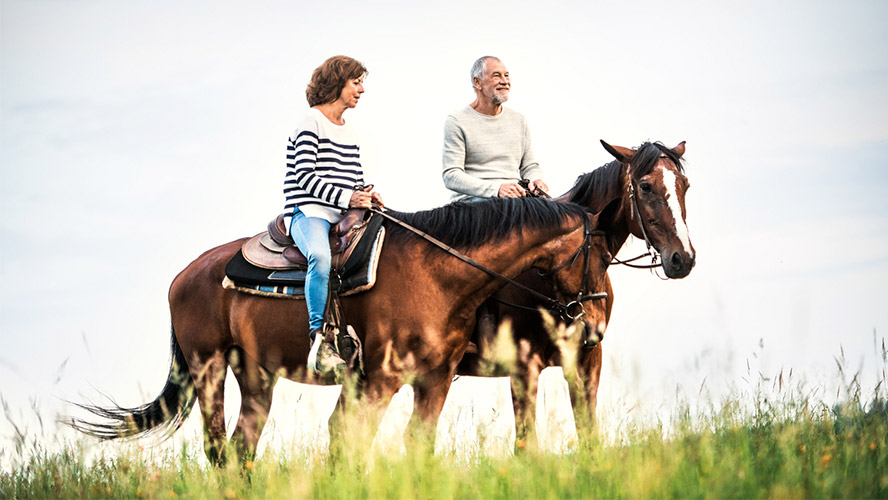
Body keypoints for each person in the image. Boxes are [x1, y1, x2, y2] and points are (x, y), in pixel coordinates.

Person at [283, 55, 383, 374]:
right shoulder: (309, 121)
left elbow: (353, 176)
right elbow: (304, 176)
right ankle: (319, 338)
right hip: (308, 211)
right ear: (338, 83)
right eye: (356, 82)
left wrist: (366, 194)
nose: (362, 90)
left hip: (343, 213)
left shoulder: (349, 130)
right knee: (321, 258)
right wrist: (348, 196)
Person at [441, 56, 549, 201]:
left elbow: (530, 166)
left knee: (560, 215)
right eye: (497, 76)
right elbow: (451, 176)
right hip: (474, 201)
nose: (505, 81)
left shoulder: (519, 119)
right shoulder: (457, 120)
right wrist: (496, 189)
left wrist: (536, 180)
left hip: (516, 199)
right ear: (477, 82)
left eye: (506, 75)